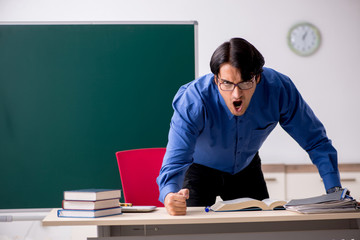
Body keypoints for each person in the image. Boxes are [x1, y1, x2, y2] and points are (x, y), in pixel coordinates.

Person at [156, 37, 343, 216]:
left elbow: (315, 141)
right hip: (199, 170)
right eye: (227, 83)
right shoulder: (193, 100)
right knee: (192, 229)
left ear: (258, 77)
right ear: (216, 79)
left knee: (260, 229)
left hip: (246, 168)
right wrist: (169, 194)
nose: (236, 94)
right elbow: (175, 160)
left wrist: (334, 191)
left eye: (245, 82)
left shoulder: (279, 89)